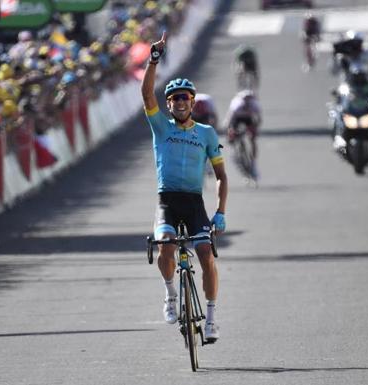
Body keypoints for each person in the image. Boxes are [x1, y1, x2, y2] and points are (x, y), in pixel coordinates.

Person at [141, 32, 228, 342]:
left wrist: (220, 211)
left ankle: (212, 317)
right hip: (167, 200)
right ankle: (169, 294)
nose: (179, 102)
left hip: (194, 203)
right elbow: (146, 95)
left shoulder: (205, 133)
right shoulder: (160, 126)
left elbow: (221, 176)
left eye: (184, 98)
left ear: (192, 102)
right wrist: (153, 60)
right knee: (164, 245)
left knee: (205, 253)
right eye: (174, 98)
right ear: (169, 103)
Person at [224, 89, 262, 179]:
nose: (247, 102)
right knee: (231, 135)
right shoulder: (237, 106)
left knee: (252, 138)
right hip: (236, 118)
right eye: (246, 100)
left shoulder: (255, 105)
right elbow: (229, 121)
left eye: (249, 100)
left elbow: (258, 120)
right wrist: (231, 131)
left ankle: (253, 162)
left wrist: (254, 130)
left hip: (248, 119)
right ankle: (236, 153)